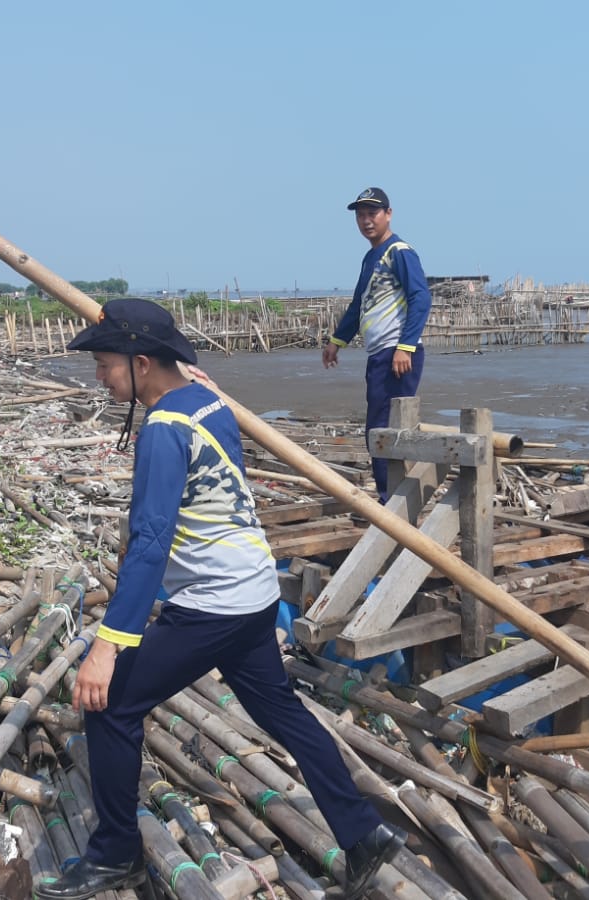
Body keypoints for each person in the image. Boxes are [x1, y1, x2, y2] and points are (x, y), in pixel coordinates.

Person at [36, 298, 402, 900]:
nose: (98, 377)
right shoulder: (207, 400)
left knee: (109, 706)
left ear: (142, 363)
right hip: (256, 591)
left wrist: (108, 644)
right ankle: (363, 833)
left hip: (214, 604)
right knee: (281, 711)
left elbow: (150, 546)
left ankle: (114, 856)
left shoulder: (163, 428)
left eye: (104, 364)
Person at [323, 187, 432, 501]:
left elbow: (420, 297)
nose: (367, 221)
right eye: (361, 215)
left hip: (396, 355)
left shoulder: (400, 251)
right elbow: (359, 305)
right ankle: (391, 497)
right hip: (379, 355)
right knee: (379, 426)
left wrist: (406, 346)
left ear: (389, 214)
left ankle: (391, 500)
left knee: (385, 428)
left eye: (373, 213)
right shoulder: (372, 256)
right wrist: (336, 342)